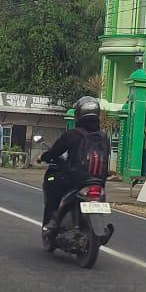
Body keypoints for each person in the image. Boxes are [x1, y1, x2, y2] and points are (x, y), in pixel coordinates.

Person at [38, 96, 109, 232]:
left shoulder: (72, 134)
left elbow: (54, 152)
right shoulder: (103, 137)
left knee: (52, 184)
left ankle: (53, 220)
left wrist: (45, 156)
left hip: (74, 179)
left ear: (78, 114)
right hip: (99, 180)